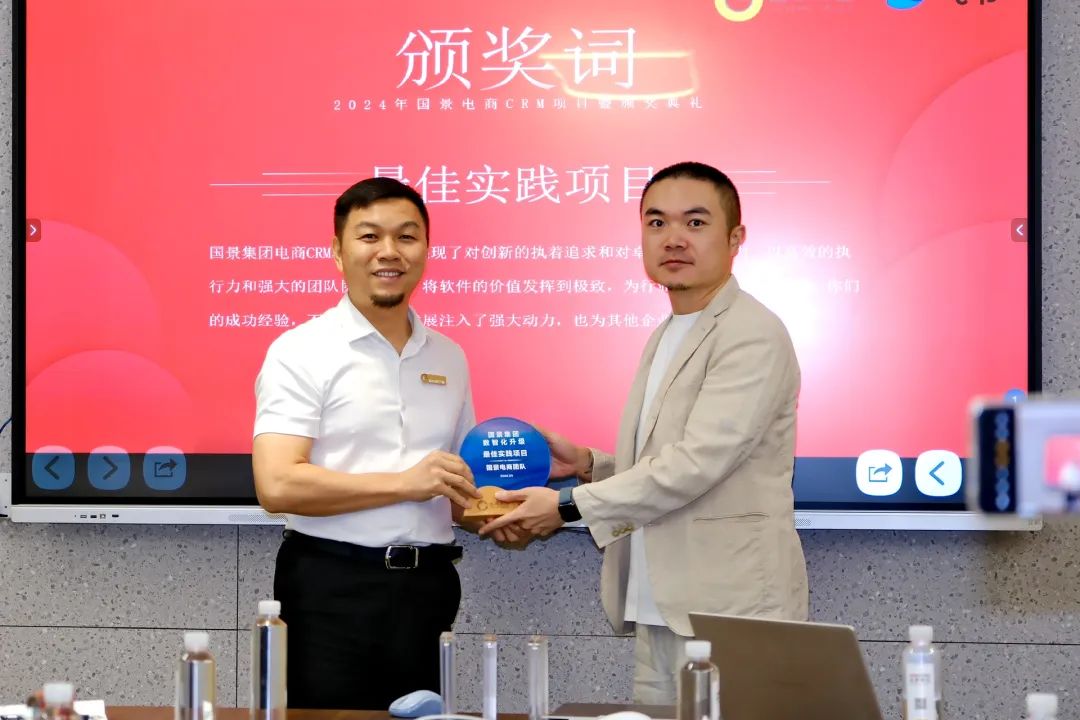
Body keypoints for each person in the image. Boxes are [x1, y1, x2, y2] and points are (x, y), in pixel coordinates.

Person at [481, 161, 809, 704]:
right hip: (661, 606)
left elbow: (697, 464)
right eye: (657, 223)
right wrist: (589, 464)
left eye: (695, 222)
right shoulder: (669, 331)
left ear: (735, 239)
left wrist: (567, 506)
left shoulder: (752, 333)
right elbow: (670, 459)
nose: (673, 238)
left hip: (731, 611)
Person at [252, 177, 483, 710]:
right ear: (338, 252)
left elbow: (457, 488)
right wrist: (405, 484)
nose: (389, 251)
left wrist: (513, 509)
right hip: (330, 587)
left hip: (428, 590)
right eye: (369, 236)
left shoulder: (449, 356)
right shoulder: (301, 350)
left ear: (426, 249)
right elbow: (277, 484)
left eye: (407, 236)